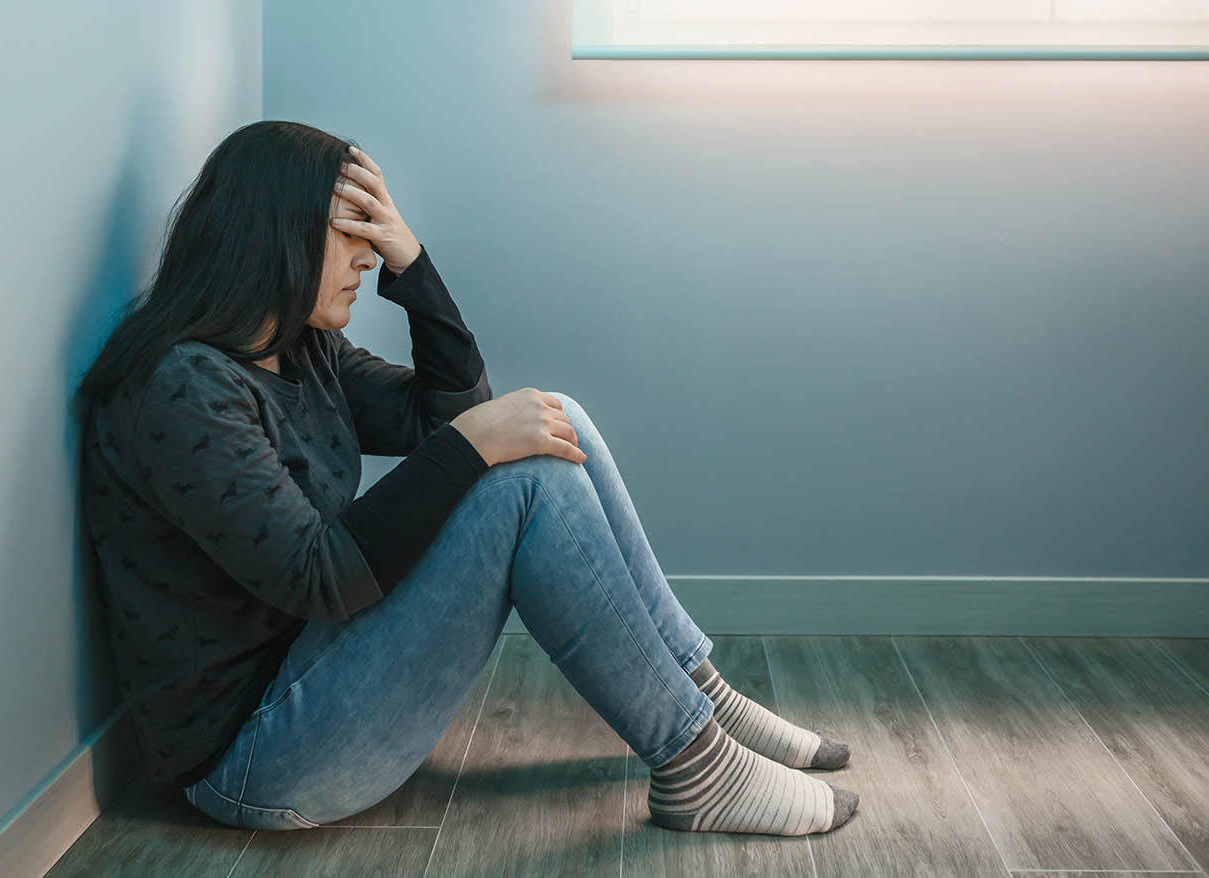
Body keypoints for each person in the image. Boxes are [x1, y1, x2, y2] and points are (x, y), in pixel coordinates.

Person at [72, 120, 860, 835]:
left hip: (315, 674)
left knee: (557, 417)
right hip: (253, 760)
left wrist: (413, 264)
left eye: (371, 236)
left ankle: (700, 698)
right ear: (273, 236)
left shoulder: (297, 350)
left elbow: (446, 412)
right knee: (525, 481)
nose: (366, 256)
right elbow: (321, 576)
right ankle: (696, 765)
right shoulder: (184, 390)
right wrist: (472, 446)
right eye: (348, 235)